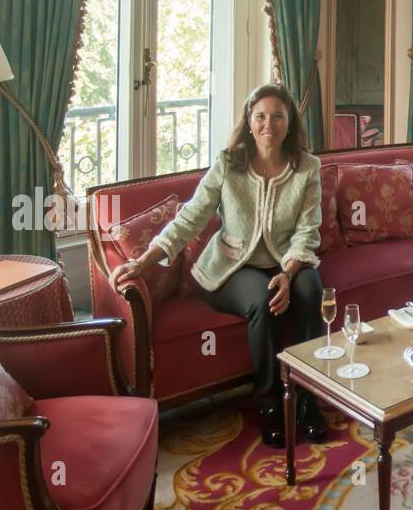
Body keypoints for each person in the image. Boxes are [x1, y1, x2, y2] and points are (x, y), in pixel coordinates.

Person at [109, 83, 326, 447]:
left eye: (277, 116)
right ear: (249, 121)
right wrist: (145, 261)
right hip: (231, 269)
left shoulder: (307, 168)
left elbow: (308, 231)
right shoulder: (228, 163)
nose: (268, 124)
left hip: (286, 262)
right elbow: (191, 217)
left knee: (311, 287)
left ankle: (307, 399)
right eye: (260, 116)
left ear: (289, 124)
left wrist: (288, 275)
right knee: (260, 299)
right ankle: (270, 404)